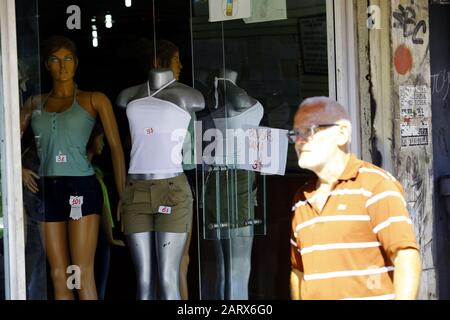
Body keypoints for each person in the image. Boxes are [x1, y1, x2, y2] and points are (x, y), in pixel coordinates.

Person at [20, 36, 126, 300]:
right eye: (55, 60)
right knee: (59, 274)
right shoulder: (34, 104)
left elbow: (115, 148)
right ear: (46, 65)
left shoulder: (94, 99)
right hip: (46, 188)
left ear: (76, 63)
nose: (63, 66)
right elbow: (6, 140)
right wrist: (18, 168)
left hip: (80, 187)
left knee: (80, 272)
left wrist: (122, 194)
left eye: (68, 59)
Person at [289, 96, 421, 300]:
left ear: (342, 133)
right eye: (296, 133)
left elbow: (405, 257)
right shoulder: (301, 199)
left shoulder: (375, 185)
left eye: (310, 130)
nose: (300, 140)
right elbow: (298, 271)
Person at [116, 40, 205, 300]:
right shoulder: (128, 96)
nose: (181, 65)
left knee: (168, 278)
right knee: (143, 281)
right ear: (159, 61)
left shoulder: (190, 96)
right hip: (136, 191)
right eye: (176, 59)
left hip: (172, 190)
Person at [201, 68, 264, 300]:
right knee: (237, 267)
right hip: (235, 178)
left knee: (225, 269)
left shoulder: (214, 101)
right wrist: (225, 81)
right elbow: (240, 99)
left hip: (218, 179)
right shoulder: (231, 97)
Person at [86, 122, 125, 300]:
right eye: (100, 138)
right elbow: (101, 209)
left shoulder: (96, 172)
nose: (102, 143)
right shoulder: (89, 176)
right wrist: (110, 237)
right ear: (90, 140)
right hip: (96, 238)